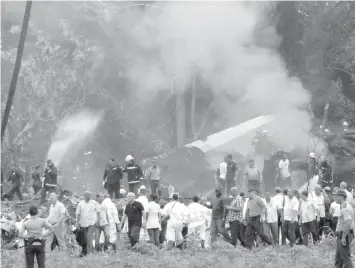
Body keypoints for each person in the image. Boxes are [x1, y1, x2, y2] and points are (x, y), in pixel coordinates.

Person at [75, 191, 100, 257]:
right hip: (83, 223)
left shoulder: (94, 203)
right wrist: (77, 223)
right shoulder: (81, 203)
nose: (89, 196)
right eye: (87, 195)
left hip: (92, 222)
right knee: (86, 238)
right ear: (84, 196)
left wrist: (98, 220)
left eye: (90, 195)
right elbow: (77, 214)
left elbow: (98, 211)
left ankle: (89, 253)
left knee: (89, 236)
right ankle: (87, 251)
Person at [334, 189, 354, 268]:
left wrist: (343, 237)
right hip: (341, 234)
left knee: (346, 259)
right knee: (338, 259)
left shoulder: (345, 207)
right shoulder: (343, 206)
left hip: (344, 235)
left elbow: (348, 222)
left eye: (336, 196)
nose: (334, 197)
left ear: (341, 197)